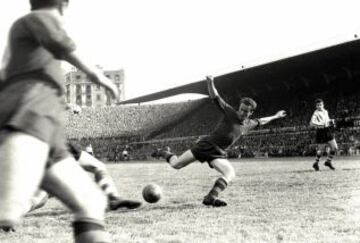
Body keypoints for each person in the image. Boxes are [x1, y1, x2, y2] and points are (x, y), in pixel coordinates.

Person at [0, 0, 119, 242]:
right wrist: (97, 76)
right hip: (27, 122)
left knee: (91, 202)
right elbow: (59, 42)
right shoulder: (37, 20)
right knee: (7, 209)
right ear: (63, 6)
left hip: (45, 132)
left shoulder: (29, 51)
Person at [152, 76, 287, 207]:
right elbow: (215, 96)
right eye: (241, 110)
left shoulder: (249, 123)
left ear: (250, 113)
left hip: (218, 153)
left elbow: (262, 120)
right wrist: (210, 83)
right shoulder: (230, 112)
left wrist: (276, 116)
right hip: (205, 146)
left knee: (230, 173)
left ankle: (210, 197)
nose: (242, 113)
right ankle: (164, 153)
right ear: (239, 108)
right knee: (176, 164)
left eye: (246, 112)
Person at [27, 143, 142, 213]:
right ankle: (112, 197)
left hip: (53, 143)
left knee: (98, 166)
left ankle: (113, 198)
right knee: (42, 197)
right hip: (48, 144)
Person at [309, 98, 338, 171]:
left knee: (335, 147)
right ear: (316, 106)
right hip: (320, 131)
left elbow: (327, 120)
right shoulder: (316, 113)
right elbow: (311, 123)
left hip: (328, 130)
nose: (319, 106)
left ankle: (328, 161)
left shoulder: (326, 111)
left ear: (323, 105)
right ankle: (315, 163)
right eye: (318, 105)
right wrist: (321, 124)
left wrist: (331, 121)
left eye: (320, 105)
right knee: (321, 150)